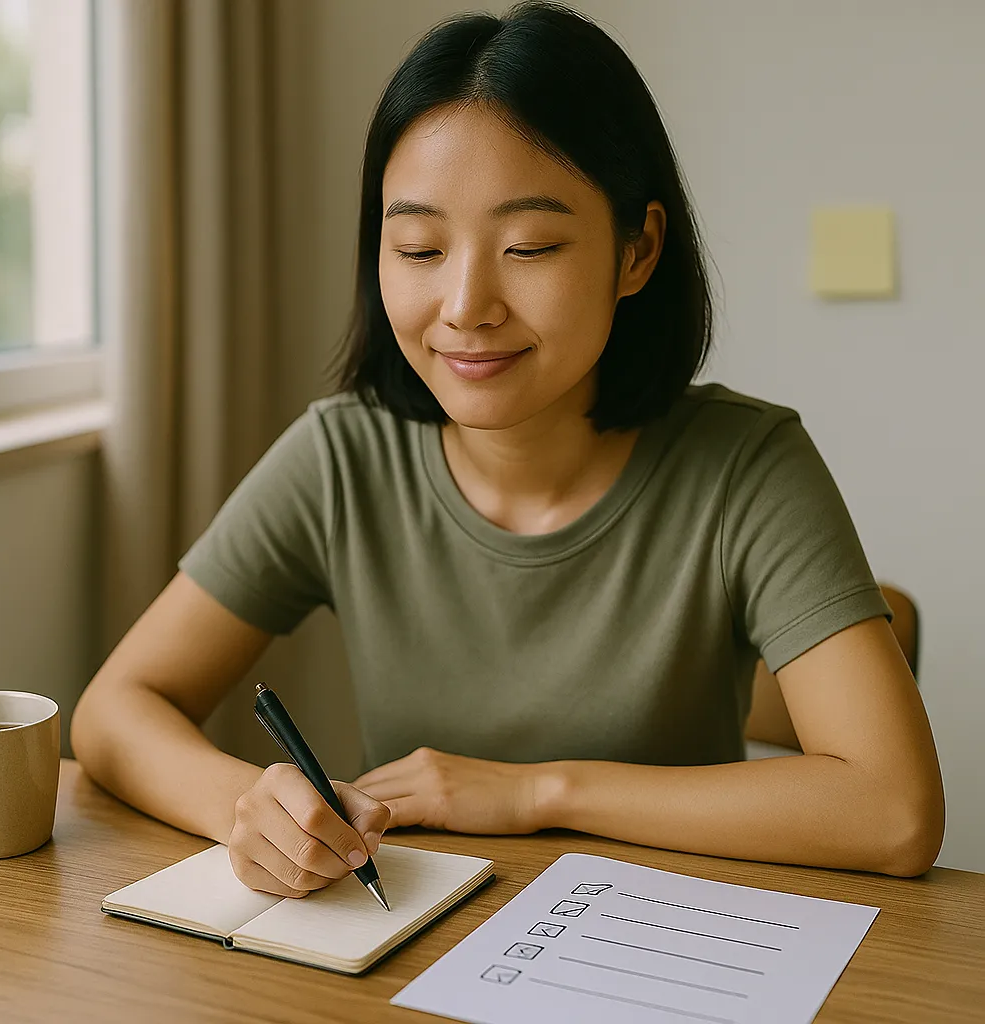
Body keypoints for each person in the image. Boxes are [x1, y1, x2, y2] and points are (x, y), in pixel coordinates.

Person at [71, 1, 944, 897]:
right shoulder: (343, 457)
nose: (464, 305)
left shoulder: (747, 464)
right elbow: (114, 711)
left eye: (528, 245)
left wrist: (536, 792)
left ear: (637, 251)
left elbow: (893, 810)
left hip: (665, 951)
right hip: (412, 939)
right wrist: (249, 806)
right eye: (418, 247)